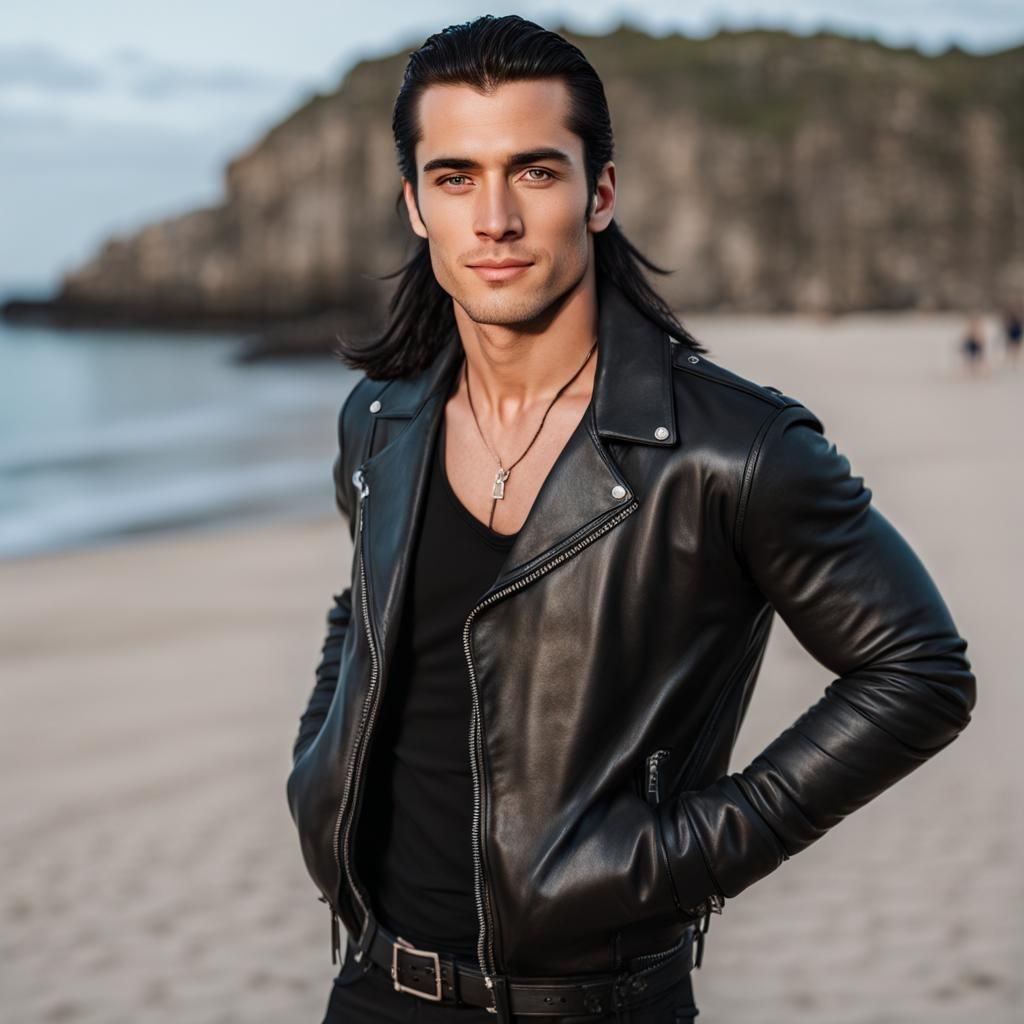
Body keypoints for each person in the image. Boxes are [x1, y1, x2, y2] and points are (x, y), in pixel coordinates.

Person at [286, 16, 977, 1023]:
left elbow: (920, 673)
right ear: (415, 204)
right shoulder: (381, 420)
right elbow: (362, 603)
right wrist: (317, 767)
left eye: (532, 172)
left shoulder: (734, 448)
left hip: (598, 1003)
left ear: (597, 192)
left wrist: (672, 859)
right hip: (374, 985)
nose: (494, 220)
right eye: (454, 177)